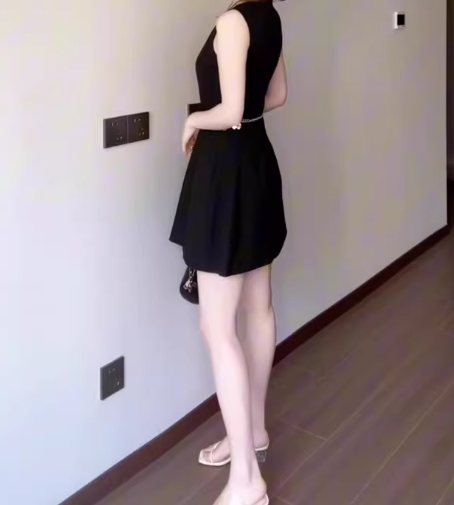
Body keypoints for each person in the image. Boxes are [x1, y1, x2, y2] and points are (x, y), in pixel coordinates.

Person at [169, 0, 287, 503]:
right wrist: (230, 114)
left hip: (226, 176)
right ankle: (253, 433)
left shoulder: (232, 20)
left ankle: (246, 480)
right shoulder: (268, 16)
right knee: (258, 309)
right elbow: (276, 96)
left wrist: (194, 119)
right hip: (256, 166)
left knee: (217, 327)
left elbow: (232, 110)